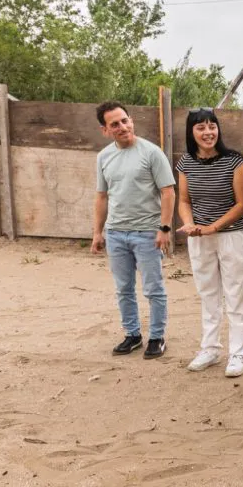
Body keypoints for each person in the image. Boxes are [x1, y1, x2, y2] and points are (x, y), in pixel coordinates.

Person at [91, 101, 175, 359]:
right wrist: (98, 232)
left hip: (147, 233)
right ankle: (132, 334)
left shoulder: (151, 152)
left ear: (132, 120)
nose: (122, 127)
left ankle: (157, 337)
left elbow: (168, 191)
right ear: (105, 130)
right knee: (123, 288)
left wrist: (164, 228)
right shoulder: (104, 157)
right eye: (114, 124)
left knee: (153, 288)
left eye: (125, 120)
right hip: (116, 233)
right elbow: (102, 196)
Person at [176, 108, 243, 378]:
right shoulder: (185, 162)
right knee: (208, 293)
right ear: (191, 132)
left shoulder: (234, 161)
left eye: (212, 126)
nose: (208, 132)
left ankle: (238, 353)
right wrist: (189, 224)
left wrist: (213, 227)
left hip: (231, 236)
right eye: (201, 128)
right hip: (199, 238)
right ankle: (209, 348)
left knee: (236, 294)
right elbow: (184, 200)